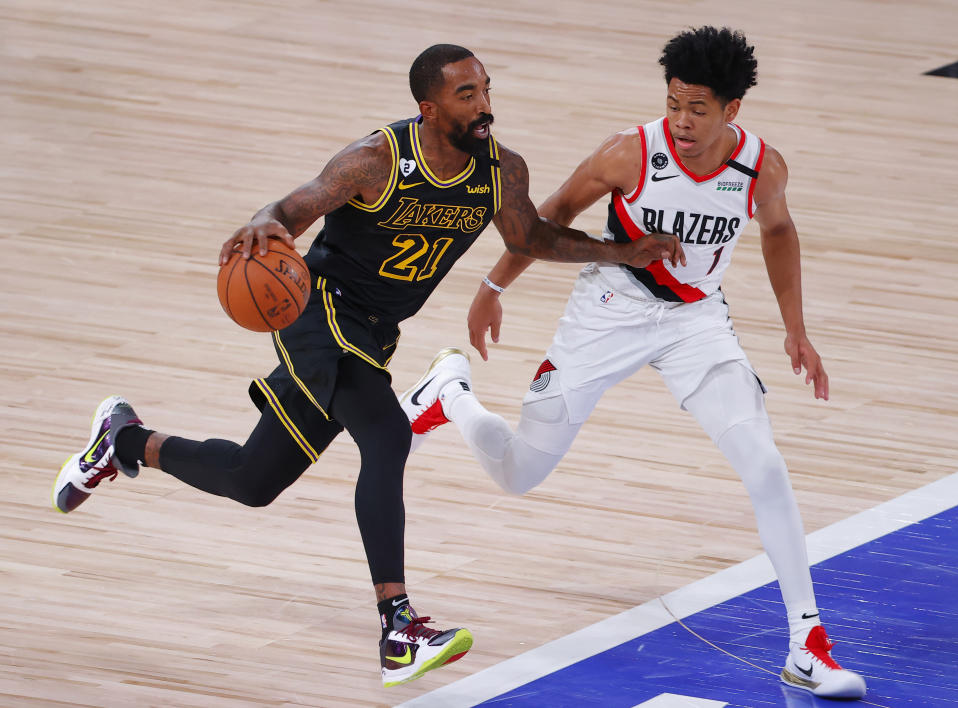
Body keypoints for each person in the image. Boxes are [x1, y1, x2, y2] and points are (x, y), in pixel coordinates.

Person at [51, 44, 683, 688]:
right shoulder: (376, 161)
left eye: (487, 89)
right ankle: (398, 627)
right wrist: (259, 224)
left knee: (252, 479)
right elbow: (287, 212)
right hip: (321, 311)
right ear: (428, 108)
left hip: (374, 335)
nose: (485, 105)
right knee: (386, 436)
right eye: (468, 95)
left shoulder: (500, 169)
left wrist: (625, 252)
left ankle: (122, 440)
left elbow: (528, 239)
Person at [400, 28, 867, 699]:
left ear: (732, 110)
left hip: (696, 323)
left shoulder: (761, 167)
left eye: (698, 108)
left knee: (764, 463)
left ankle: (808, 644)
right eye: (674, 103)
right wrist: (493, 288)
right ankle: (453, 394)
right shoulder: (629, 153)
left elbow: (779, 231)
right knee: (520, 474)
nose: (681, 120)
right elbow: (550, 215)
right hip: (606, 311)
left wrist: (797, 332)